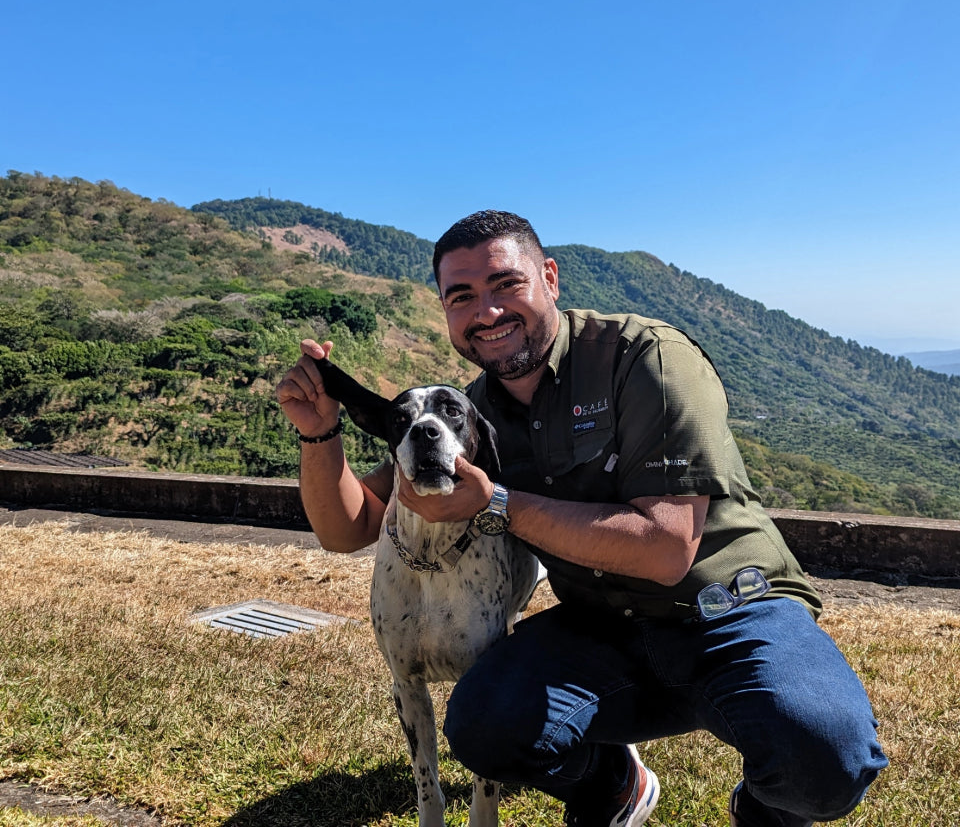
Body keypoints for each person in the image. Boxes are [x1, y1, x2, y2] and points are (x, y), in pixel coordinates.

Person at [275, 210, 887, 827]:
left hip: (726, 611)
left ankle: (768, 810)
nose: (487, 311)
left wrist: (497, 504)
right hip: (600, 629)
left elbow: (666, 549)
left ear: (550, 277)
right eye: (462, 297)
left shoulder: (645, 358)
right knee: (484, 721)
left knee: (829, 758)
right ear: (445, 311)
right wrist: (320, 434)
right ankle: (613, 785)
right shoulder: (469, 416)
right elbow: (349, 528)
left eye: (506, 284)